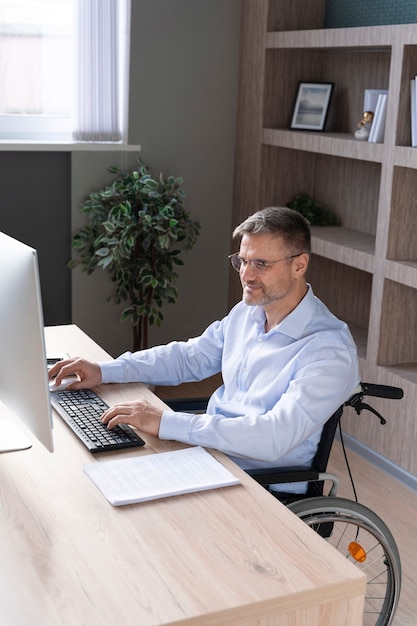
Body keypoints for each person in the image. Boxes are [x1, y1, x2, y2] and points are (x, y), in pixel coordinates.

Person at [50, 206, 359, 494]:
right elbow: (189, 357)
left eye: (261, 264)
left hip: (259, 483)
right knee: (97, 471)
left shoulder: (328, 349)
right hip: (210, 455)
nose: (247, 275)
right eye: (242, 261)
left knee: (118, 487)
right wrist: (105, 370)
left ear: (299, 265)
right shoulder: (247, 313)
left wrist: (167, 422)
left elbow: (274, 437)